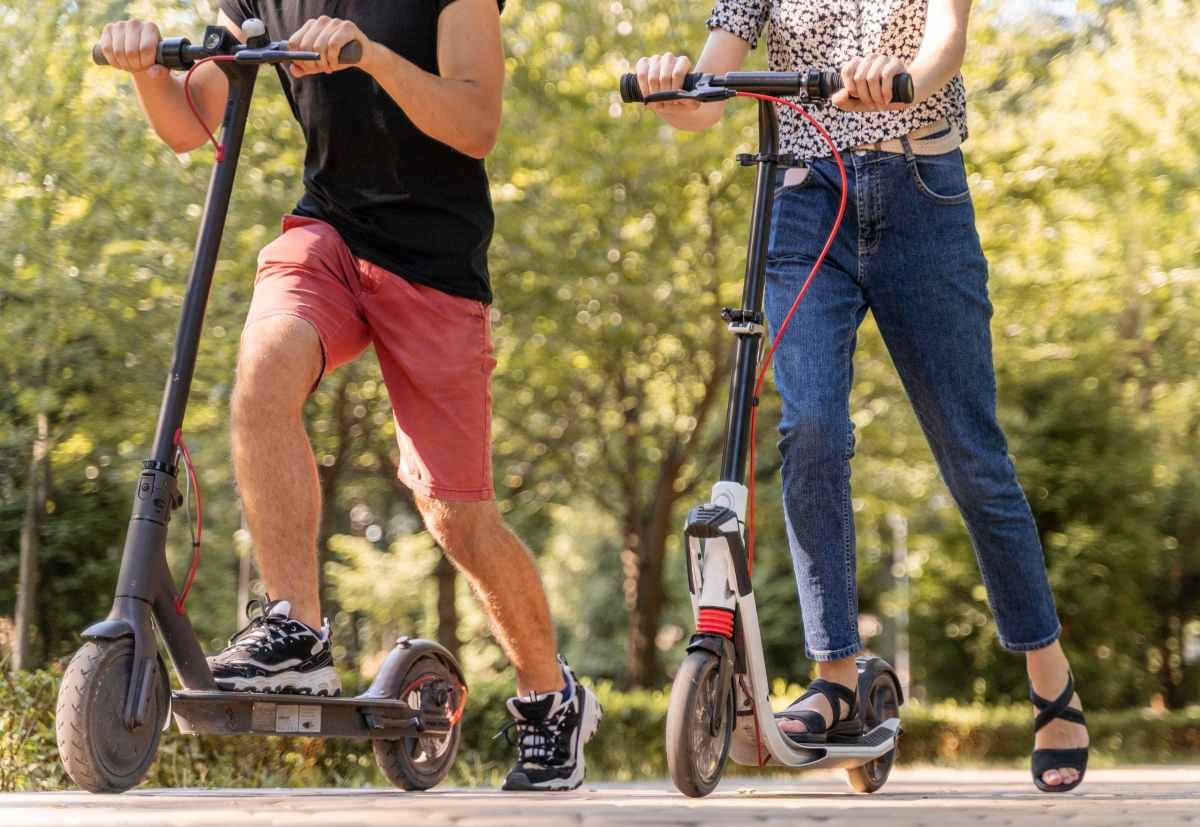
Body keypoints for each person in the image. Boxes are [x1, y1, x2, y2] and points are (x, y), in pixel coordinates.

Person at [97, 1, 600, 792]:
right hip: (328, 229)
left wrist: (369, 57)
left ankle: (551, 695)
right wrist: (148, 71)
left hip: (435, 260)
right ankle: (295, 626)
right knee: (261, 372)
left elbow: (476, 122)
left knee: (458, 516)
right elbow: (193, 121)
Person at [633, 0, 1089, 793]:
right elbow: (710, 89)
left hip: (923, 193)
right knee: (809, 430)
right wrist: (675, 84)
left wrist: (899, 84)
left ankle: (1049, 671)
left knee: (974, 458)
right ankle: (836, 673)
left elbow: (945, 44)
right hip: (805, 201)